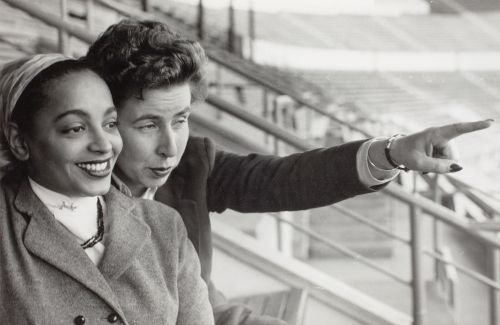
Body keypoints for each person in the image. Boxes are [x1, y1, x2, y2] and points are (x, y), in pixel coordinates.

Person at [83, 19, 493, 325]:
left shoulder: (194, 161)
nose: (170, 146)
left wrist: (392, 153)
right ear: (107, 121)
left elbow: (285, 179)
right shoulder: (71, 203)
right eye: (149, 125)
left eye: (181, 120)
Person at [0, 53, 214, 325]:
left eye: (110, 124)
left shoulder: (165, 226)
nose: (104, 145)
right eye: (76, 128)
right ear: (19, 142)